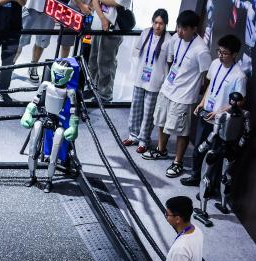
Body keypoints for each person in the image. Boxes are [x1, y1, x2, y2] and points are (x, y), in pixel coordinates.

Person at [143, 9, 212, 179]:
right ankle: (161, 149)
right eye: (178, 27)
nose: (180, 31)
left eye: (184, 29)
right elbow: (173, 61)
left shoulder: (201, 50)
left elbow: (208, 77)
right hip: (168, 89)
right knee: (161, 121)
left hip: (184, 95)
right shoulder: (176, 38)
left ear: (194, 29)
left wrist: (201, 98)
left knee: (182, 130)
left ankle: (178, 162)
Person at [180, 34, 247, 187]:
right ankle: (195, 176)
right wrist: (202, 102)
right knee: (198, 149)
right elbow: (211, 86)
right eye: (219, 51)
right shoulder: (215, 63)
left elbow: (240, 101)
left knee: (213, 155)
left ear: (234, 54)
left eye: (224, 53)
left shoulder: (239, 76)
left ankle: (208, 185)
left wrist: (220, 112)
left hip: (220, 123)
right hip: (206, 115)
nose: (220, 55)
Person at [123, 9, 170, 154]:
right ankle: (133, 135)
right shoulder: (145, 33)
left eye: (161, 23)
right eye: (155, 22)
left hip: (156, 81)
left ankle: (144, 140)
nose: (157, 26)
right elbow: (137, 51)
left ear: (165, 24)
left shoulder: (169, 40)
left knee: (148, 113)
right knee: (136, 108)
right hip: (140, 77)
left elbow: (169, 62)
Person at [86, 0, 133, 104]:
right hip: (98, 24)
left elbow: (116, 2)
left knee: (106, 62)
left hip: (113, 27)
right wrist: (102, 18)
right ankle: (92, 88)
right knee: (93, 60)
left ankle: (105, 95)